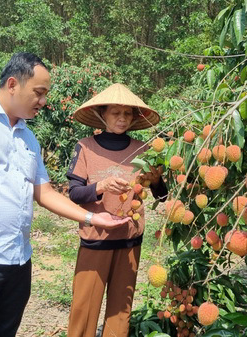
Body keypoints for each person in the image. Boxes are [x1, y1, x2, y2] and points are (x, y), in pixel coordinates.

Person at [0, 52, 131, 337]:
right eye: (39, 92)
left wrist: (93, 218)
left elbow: (44, 192)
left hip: (18, 261)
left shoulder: (28, 138)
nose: (44, 102)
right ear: (12, 84)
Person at [66, 83, 168, 337]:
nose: (122, 119)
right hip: (95, 239)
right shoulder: (86, 147)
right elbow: (75, 193)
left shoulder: (143, 149)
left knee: (120, 313)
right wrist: (101, 186)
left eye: (127, 114)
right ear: (103, 115)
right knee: (84, 309)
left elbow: (162, 195)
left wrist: (155, 179)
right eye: (115, 113)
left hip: (129, 240)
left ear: (134, 118)